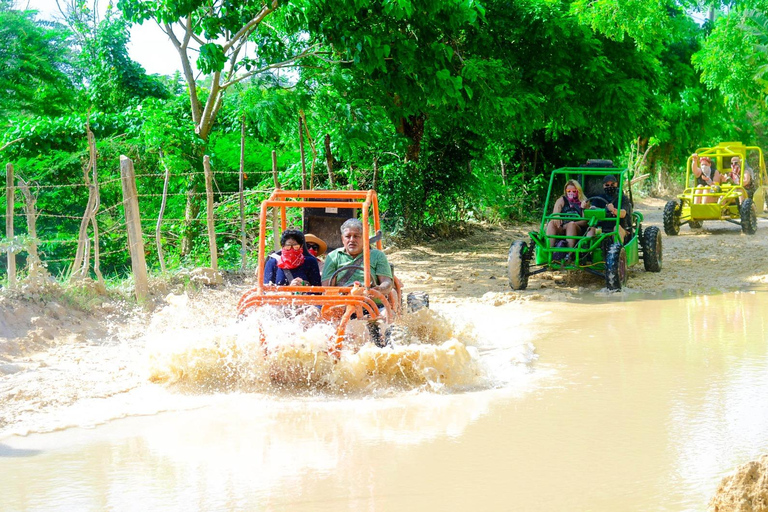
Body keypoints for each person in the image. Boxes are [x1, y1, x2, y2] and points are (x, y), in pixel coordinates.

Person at [321, 218, 393, 299]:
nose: (352, 240)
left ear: (364, 237)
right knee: (313, 311)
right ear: (342, 239)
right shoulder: (333, 256)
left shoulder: (377, 255)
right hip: (341, 303)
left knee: (385, 312)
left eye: (356, 236)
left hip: (372, 304)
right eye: (348, 236)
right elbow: (326, 289)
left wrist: (379, 289)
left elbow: (386, 282)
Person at [583, 175, 631, 243]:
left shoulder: (623, 198)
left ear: (616, 184)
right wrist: (587, 207)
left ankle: (616, 250)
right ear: (603, 186)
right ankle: (585, 248)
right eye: (607, 185)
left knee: (616, 229)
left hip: (620, 228)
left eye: (612, 184)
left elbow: (623, 213)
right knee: (591, 230)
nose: (610, 187)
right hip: (601, 229)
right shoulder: (598, 198)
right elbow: (592, 210)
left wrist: (613, 210)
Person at [546, 179, 588, 252]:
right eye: (569, 191)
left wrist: (571, 224)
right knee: (551, 223)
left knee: (571, 225)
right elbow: (555, 214)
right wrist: (557, 218)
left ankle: (569, 254)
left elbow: (585, 221)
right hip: (562, 227)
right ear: (565, 191)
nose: (571, 193)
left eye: (574, 191)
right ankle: (548, 251)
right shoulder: (561, 200)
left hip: (577, 229)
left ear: (578, 191)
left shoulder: (583, 201)